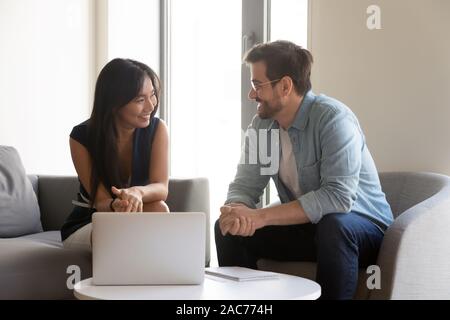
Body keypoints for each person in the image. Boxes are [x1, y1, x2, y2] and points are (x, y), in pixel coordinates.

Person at [215, 40, 393, 300]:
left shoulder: (333, 119)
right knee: (227, 228)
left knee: (334, 226)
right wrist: (238, 211)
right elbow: (245, 185)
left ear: (285, 86)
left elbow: (337, 198)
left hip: (362, 228)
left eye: (257, 85)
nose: (251, 95)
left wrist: (261, 216)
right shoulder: (263, 127)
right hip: (311, 229)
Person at [61, 58, 169, 250]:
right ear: (114, 103)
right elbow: (101, 201)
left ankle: (156, 276)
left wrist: (137, 192)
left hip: (131, 217)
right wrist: (116, 206)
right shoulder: (81, 137)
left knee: (159, 208)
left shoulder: (158, 129)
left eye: (152, 95)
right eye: (140, 100)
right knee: (115, 232)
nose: (151, 106)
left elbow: (161, 187)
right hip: (92, 220)